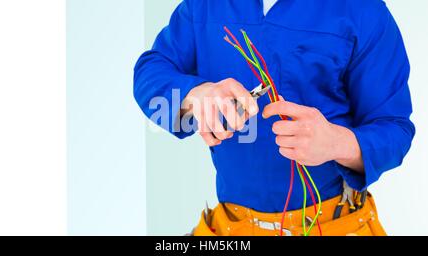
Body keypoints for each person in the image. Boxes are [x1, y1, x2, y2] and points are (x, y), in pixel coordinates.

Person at [134, 0, 415, 236]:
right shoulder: (205, 6)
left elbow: (394, 128)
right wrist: (193, 95)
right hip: (232, 228)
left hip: (333, 224)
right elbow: (151, 71)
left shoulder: (362, 9)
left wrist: (336, 143)